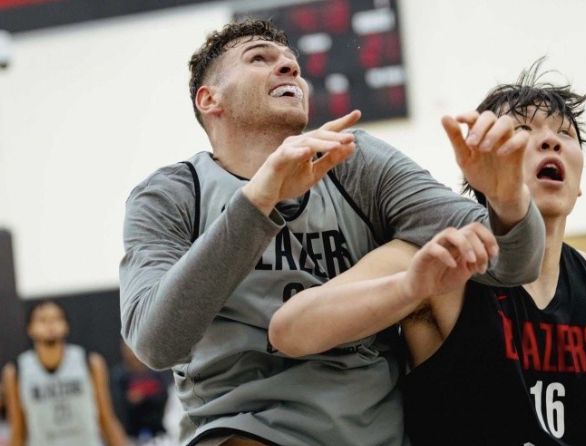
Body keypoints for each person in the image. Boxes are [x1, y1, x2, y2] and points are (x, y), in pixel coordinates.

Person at [119, 19, 545, 446]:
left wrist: (507, 199)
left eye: (293, 63)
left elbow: (513, 263)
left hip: (374, 431)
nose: (289, 68)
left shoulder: (357, 160)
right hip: (243, 428)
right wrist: (258, 200)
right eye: (259, 58)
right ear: (210, 99)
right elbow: (155, 344)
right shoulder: (171, 194)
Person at [269, 61, 586, 445]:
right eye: (522, 131)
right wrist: (409, 287)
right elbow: (289, 330)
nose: (551, 141)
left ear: (579, 181)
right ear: (479, 169)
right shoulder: (438, 259)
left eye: (565, 133)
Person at [1, 300, 127, 446]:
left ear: (66, 325)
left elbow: (107, 419)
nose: (50, 325)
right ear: (30, 329)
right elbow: (17, 430)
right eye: (42, 320)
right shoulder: (15, 371)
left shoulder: (90, 362)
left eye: (56, 318)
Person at [111, 341, 171, 442]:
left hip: (157, 434)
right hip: (130, 435)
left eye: (132, 349)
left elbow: (163, 397)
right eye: (128, 349)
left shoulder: (156, 373)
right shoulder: (120, 376)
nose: (131, 354)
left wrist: (145, 397)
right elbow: (117, 406)